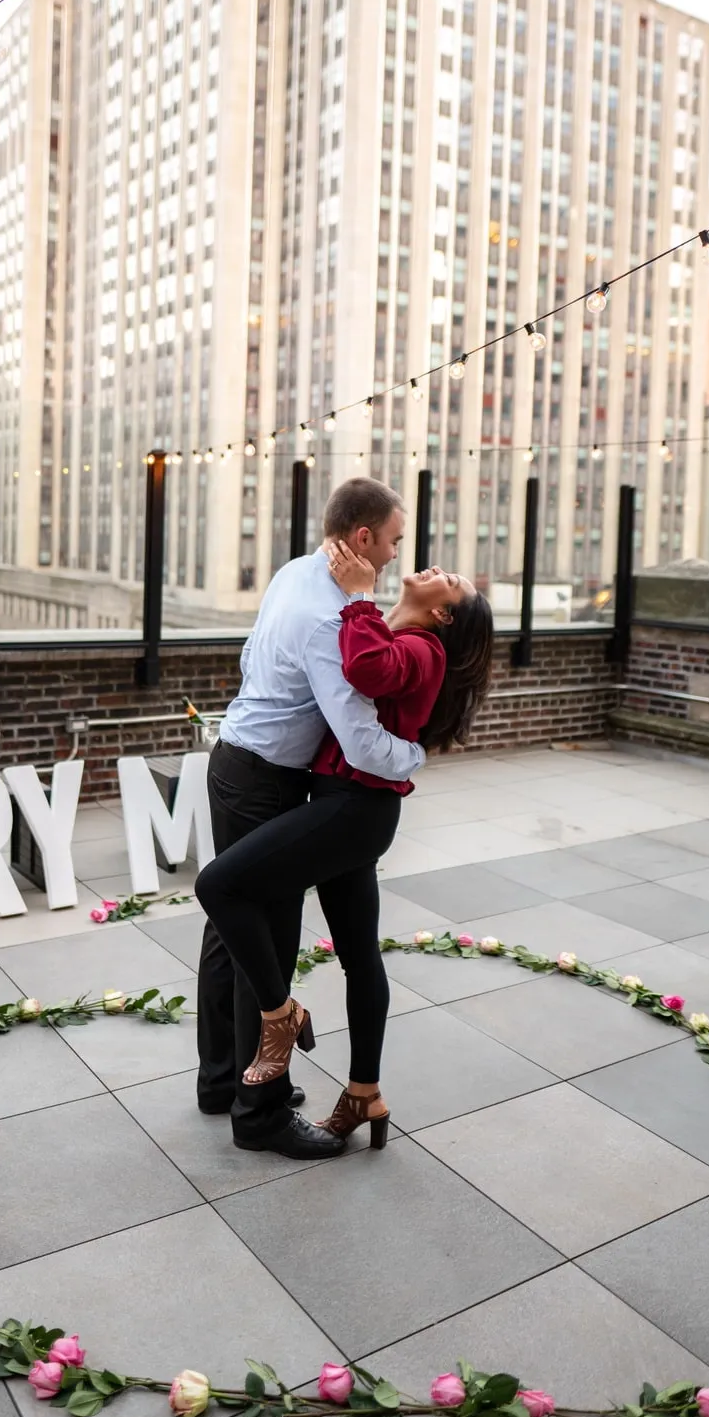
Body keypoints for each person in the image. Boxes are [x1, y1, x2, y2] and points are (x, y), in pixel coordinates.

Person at [196, 542, 495, 1150]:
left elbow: (363, 672)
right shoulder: (393, 630)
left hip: (351, 811)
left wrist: (358, 598)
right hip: (346, 806)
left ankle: (279, 1018)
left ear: (444, 615)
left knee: (220, 886)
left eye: (451, 582)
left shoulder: (419, 646)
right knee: (359, 954)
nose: (438, 569)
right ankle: (364, 1092)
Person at [196, 477, 424, 1158]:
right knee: (264, 941)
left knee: (230, 937)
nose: (392, 555)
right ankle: (259, 1113)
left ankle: (221, 1080)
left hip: (235, 758)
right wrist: (414, 754)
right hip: (265, 780)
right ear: (361, 538)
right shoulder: (331, 617)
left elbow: (249, 658)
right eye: (390, 541)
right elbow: (358, 741)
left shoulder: (294, 570)